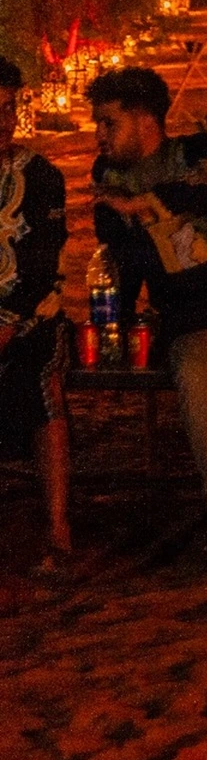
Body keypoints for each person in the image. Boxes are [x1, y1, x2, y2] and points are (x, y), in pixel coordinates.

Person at [88, 68, 207, 566]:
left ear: (146, 119)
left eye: (108, 122)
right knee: (194, 373)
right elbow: (120, 256)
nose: (99, 135)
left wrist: (143, 205)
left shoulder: (195, 156)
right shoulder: (108, 177)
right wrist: (115, 329)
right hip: (193, 316)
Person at [0, 56, 71, 557]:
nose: (2, 123)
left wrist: (6, 323)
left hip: (31, 317)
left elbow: (41, 265)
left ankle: (57, 527)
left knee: (43, 383)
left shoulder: (40, 177)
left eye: (7, 109)